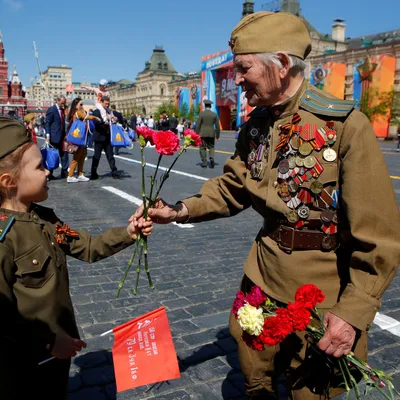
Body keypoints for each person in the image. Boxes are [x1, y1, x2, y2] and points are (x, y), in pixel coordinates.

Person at [135, 11, 400, 400]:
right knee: (254, 377)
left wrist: (353, 312)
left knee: (311, 390)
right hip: (261, 279)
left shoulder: (345, 125)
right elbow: (233, 187)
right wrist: (178, 210)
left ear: (282, 64)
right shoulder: (257, 123)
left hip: (321, 294)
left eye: (244, 68)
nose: (236, 79)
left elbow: (378, 237)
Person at [0, 116, 152, 399]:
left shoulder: (44, 219)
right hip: (24, 361)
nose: (49, 170)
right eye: (39, 166)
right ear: (9, 182)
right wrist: (47, 343)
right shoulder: (4, 238)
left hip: (59, 347)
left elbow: (89, 246)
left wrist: (129, 232)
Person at [66, 97, 100, 183]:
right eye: (80, 104)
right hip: (78, 138)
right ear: (76, 105)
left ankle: (80, 174)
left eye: (82, 104)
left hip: (80, 138)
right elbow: (86, 117)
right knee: (77, 157)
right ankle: (70, 176)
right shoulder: (77, 112)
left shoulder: (77, 112)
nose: (82, 106)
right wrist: (95, 117)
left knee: (82, 155)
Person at [90, 96, 120, 180]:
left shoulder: (109, 112)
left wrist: (114, 119)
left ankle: (114, 172)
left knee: (110, 156)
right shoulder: (97, 111)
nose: (107, 105)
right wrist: (105, 120)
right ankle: (93, 173)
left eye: (108, 104)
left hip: (107, 137)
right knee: (97, 156)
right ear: (101, 102)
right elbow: (97, 123)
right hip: (99, 137)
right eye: (106, 103)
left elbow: (114, 121)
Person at [45, 95, 69, 180]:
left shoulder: (62, 109)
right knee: (53, 156)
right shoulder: (51, 110)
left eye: (64, 103)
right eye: (62, 103)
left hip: (62, 137)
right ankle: (50, 173)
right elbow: (47, 123)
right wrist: (47, 135)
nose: (63, 105)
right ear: (58, 101)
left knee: (64, 154)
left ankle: (65, 171)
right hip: (54, 137)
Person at [195, 99, 220, 168]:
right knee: (211, 147)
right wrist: (217, 136)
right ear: (210, 106)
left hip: (203, 133)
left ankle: (204, 162)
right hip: (211, 133)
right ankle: (211, 157)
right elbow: (218, 127)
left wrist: (196, 134)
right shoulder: (214, 115)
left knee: (202, 148)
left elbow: (198, 125)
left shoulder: (201, 114)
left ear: (205, 106)